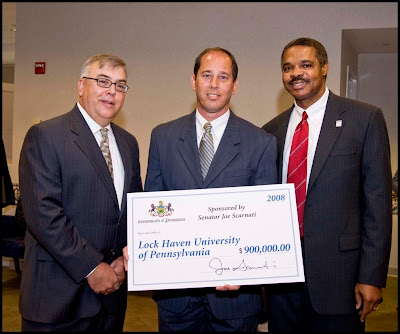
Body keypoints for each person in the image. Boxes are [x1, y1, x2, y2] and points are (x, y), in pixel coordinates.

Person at [127, 47, 277, 331]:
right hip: (177, 296)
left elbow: (264, 222)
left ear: (235, 86)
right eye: (206, 75)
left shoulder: (261, 142)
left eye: (223, 77)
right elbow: (153, 208)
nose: (213, 84)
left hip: (235, 296)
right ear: (193, 80)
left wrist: (250, 268)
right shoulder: (163, 137)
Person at [262, 37, 392, 332]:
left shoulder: (364, 119)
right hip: (282, 281)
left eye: (305, 65)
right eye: (288, 67)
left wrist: (372, 276)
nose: (296, 73)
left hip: (340, 279)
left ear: (324, 68)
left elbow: (378, 204)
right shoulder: (271, 132)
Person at [18, 54, 143, 332]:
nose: (112, 91)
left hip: (112, 297)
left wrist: (124, 260)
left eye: (120, 85)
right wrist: (93, 268)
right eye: (103, 81)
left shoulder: (127, 143)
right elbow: (43, 213)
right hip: (59, 299)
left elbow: (134, 209)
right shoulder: (45, 136)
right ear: (80, 86)